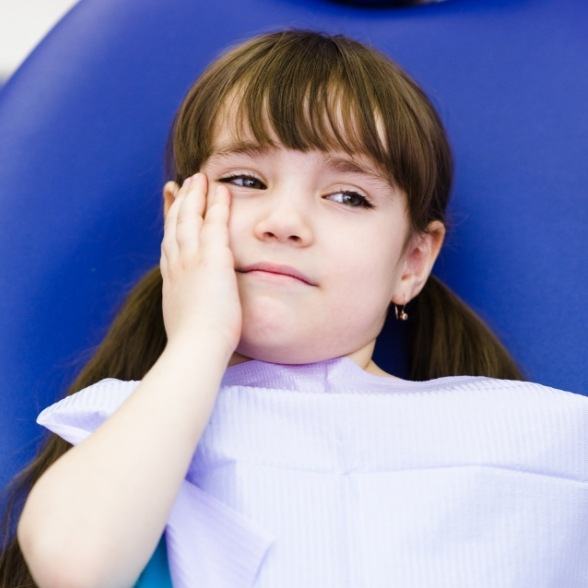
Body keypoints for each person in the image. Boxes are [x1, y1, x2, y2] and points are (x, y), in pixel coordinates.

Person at [2, 28, 586, 588]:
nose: (284, 223)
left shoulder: (540, 432)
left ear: (412, 260)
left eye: (348, 196)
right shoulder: (131, 427)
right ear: (180, 218)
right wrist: (201, 336)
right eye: (246, 180)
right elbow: (73, 567)